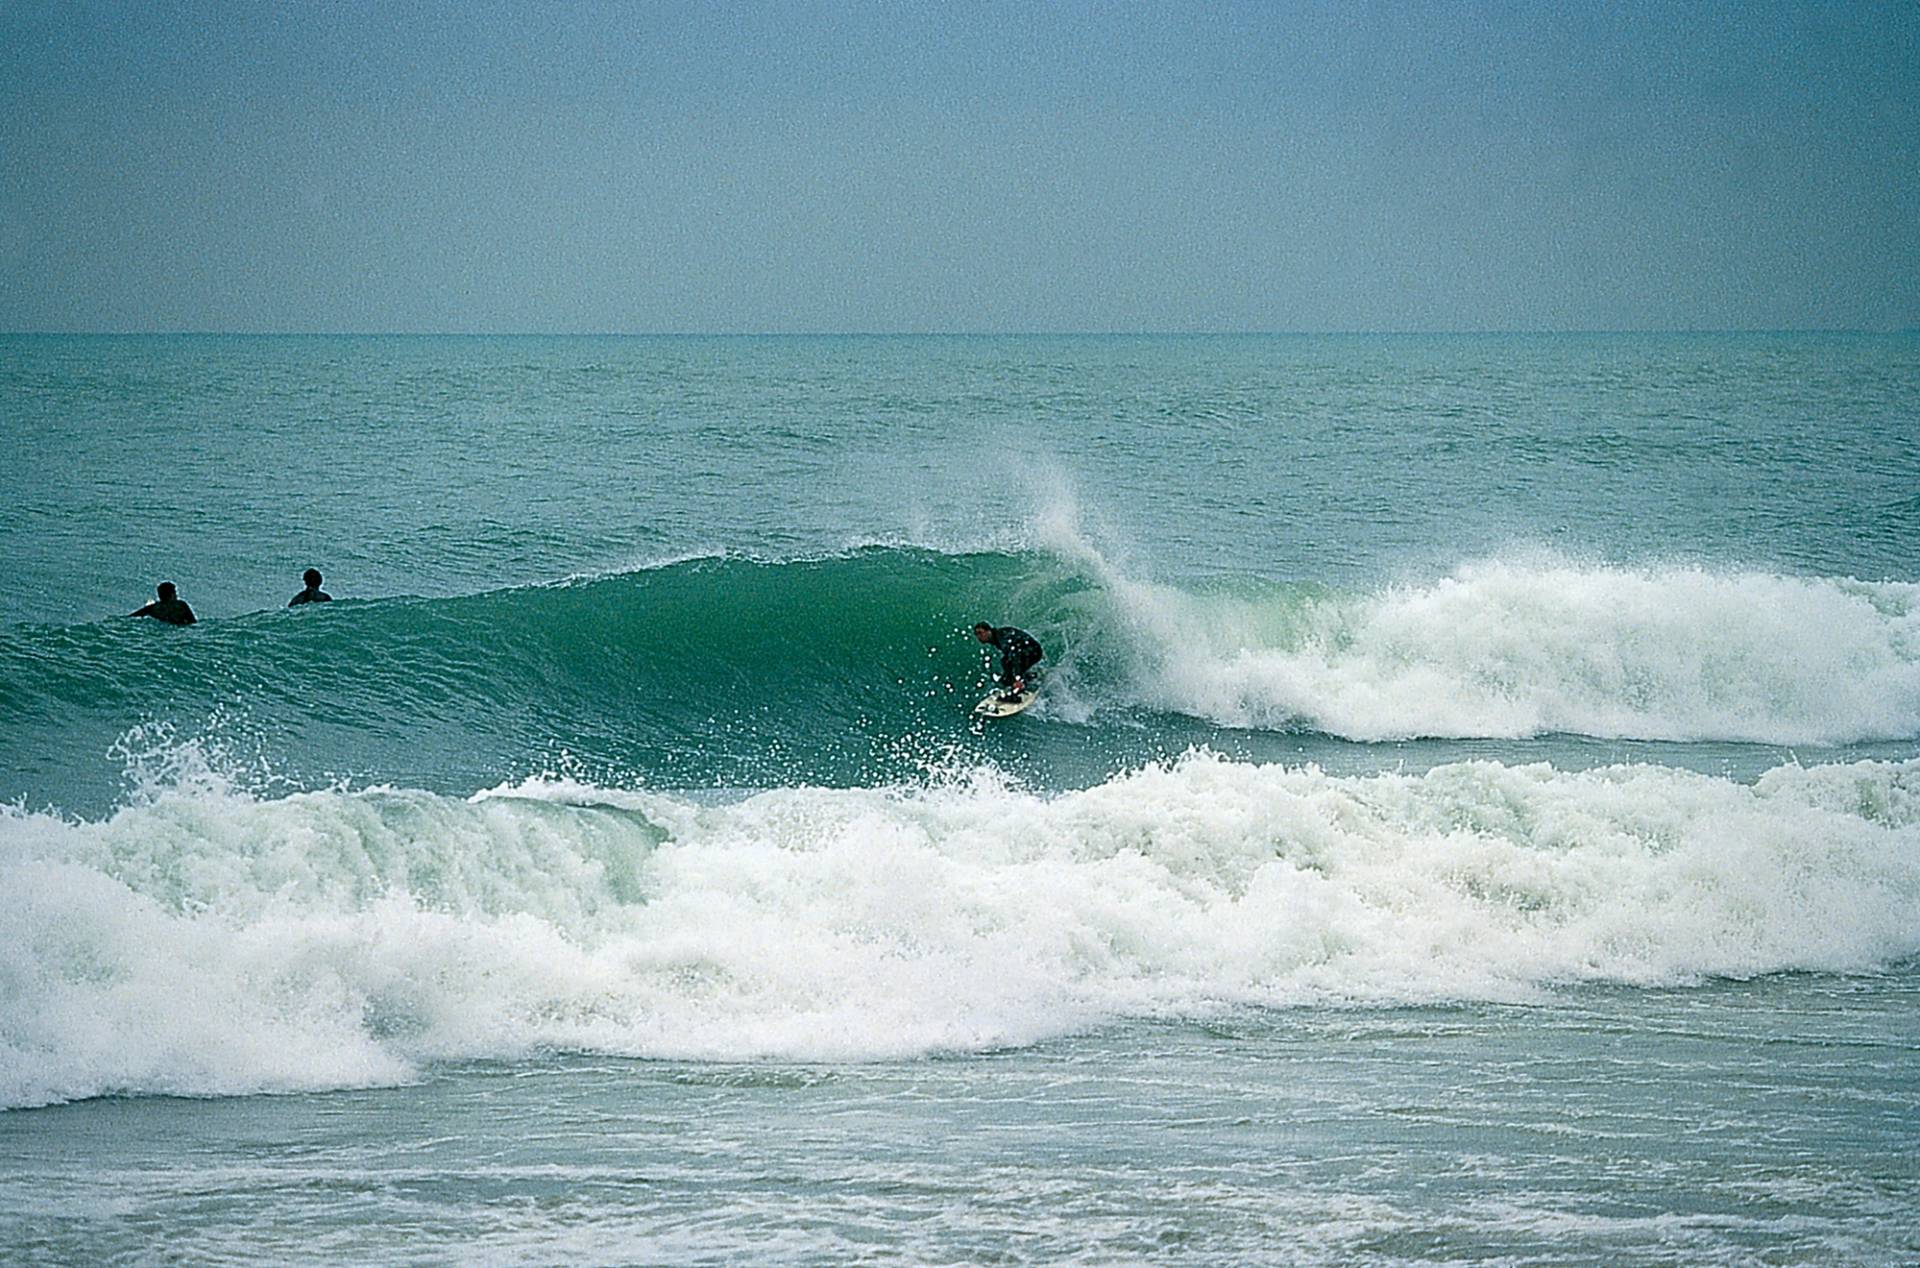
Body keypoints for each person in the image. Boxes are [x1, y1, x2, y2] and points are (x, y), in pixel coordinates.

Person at [973, 622, 1043, 700]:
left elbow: (1015, 655)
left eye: (980, 633)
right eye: (976, 634)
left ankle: (1019, 687)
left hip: (1033, 651)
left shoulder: (1001, 637)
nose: (979, 636)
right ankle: (1028, 678)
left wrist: (1017, 677)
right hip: (1028, 650)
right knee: (1006, 674)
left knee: (1008, 664)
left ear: (988, 631)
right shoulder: (997, 636)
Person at [129, 581, 196, 626]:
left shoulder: (153, 608)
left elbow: (131, 617)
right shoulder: (181, 605)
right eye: (175, 592)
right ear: (172, 594)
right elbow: (193, 622)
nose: (176, 595)